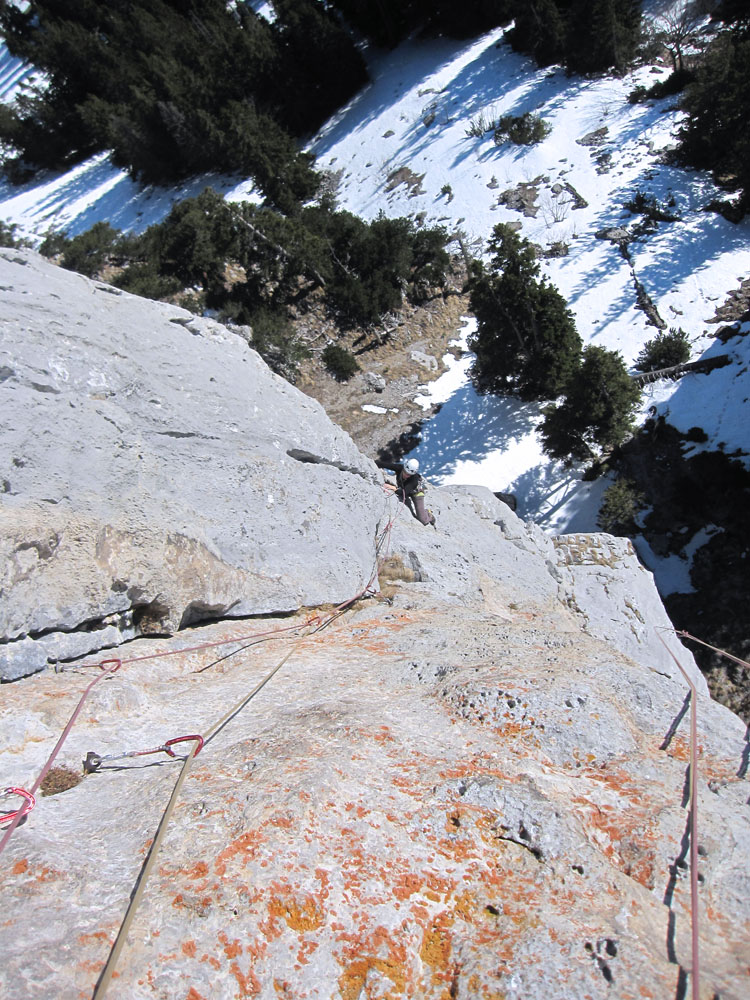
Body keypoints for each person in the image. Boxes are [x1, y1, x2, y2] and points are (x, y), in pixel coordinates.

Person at [385, 457, 436, 527]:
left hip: (417, 493)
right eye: (405, 473)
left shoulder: (414, 479)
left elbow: (404, 493)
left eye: (409, 475)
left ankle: (429, 514)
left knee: (423, 520)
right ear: (404, 468)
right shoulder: (400, 468)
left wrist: (394, 488)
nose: (406, 475)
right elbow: (385, 465)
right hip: (405, 488)